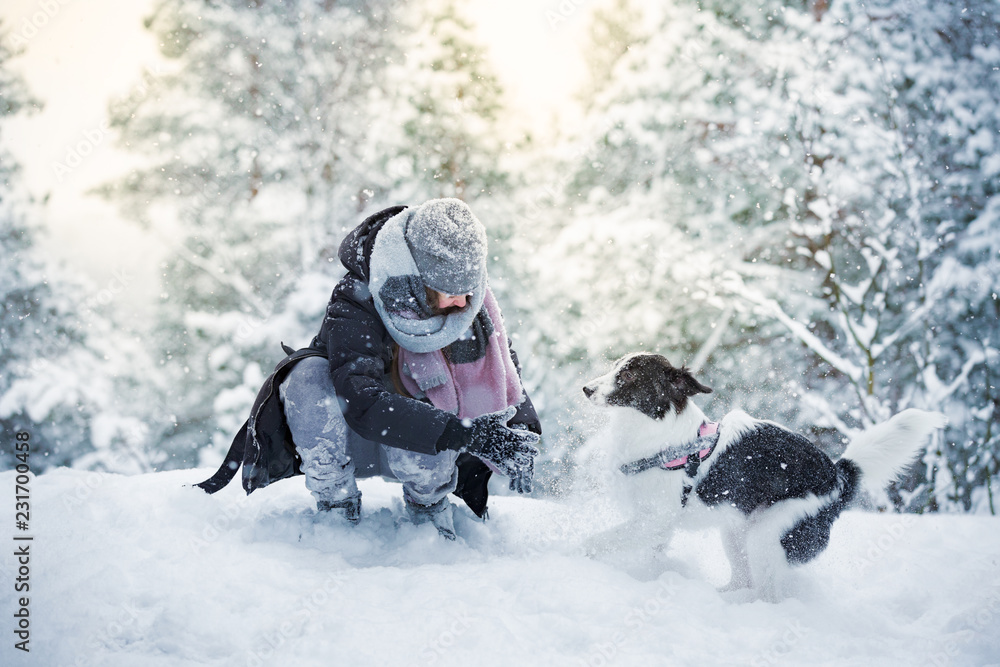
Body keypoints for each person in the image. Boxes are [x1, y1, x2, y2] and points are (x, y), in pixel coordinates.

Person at [196, 199, 542, 540]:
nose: (463, 303)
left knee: (426, 406)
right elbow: (362, 403)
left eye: (469, 291)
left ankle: (428, 507)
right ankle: (337, 506)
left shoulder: (473, 307)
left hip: (427, 454)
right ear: (416, 279)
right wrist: (468, 433)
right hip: (356, 436)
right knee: (305, 374)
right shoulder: (357, 297)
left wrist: (521, 431)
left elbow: (504, 370)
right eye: (450, 292)